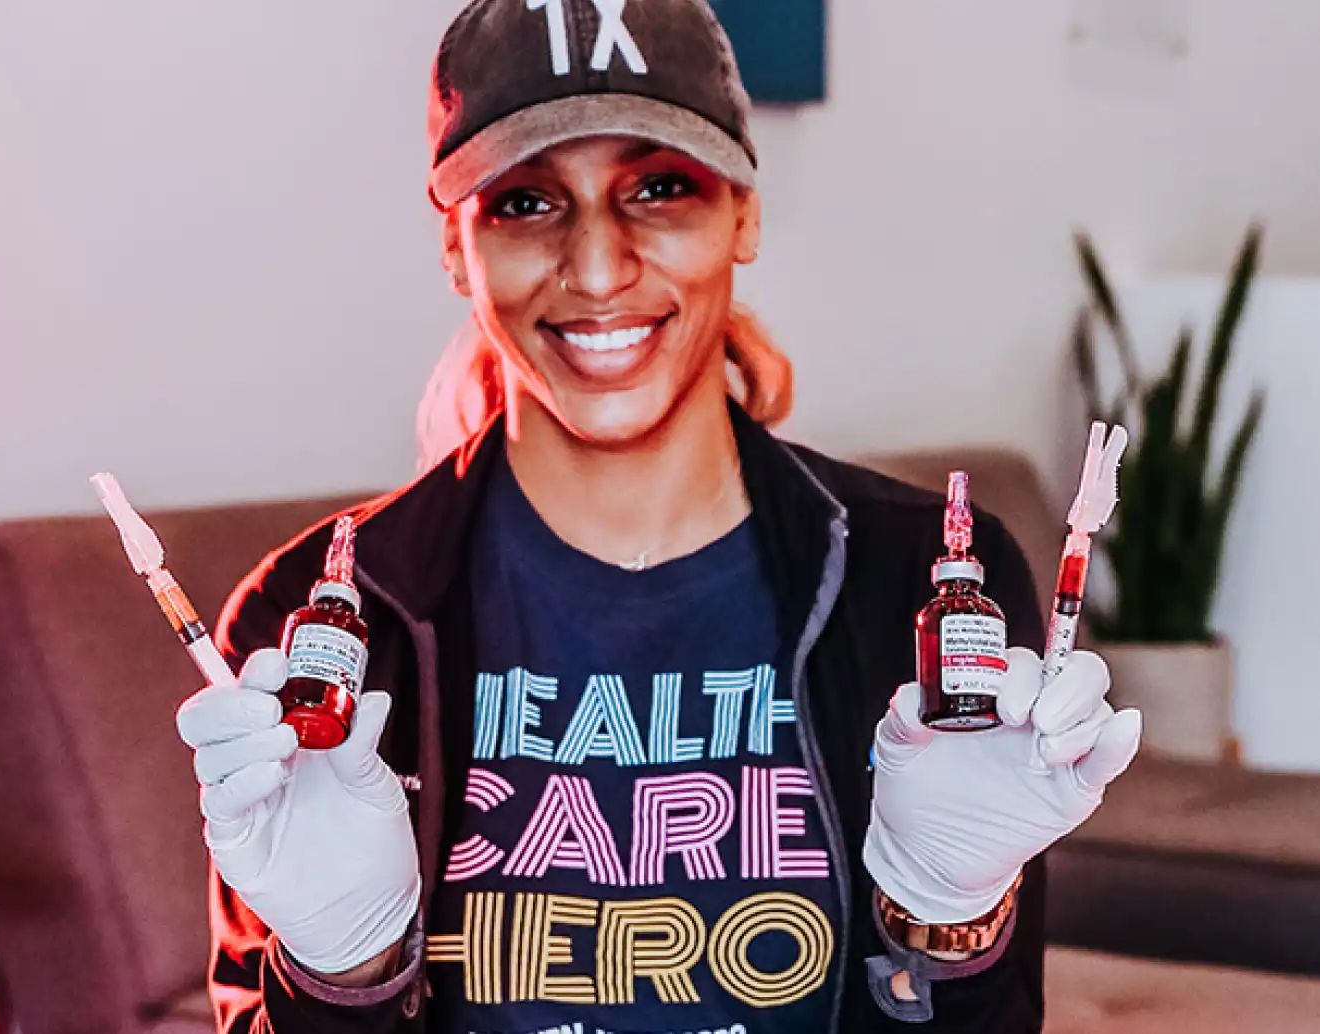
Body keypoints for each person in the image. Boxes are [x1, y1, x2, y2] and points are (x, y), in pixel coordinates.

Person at [174, 1, 1142, 1031]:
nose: (596, 268)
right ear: (457, 251)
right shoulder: (323, 616)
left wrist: (945, 913)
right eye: (525, 203)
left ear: (743, 214)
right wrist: (348, 966)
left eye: (660, 187)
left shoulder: (923, 578)